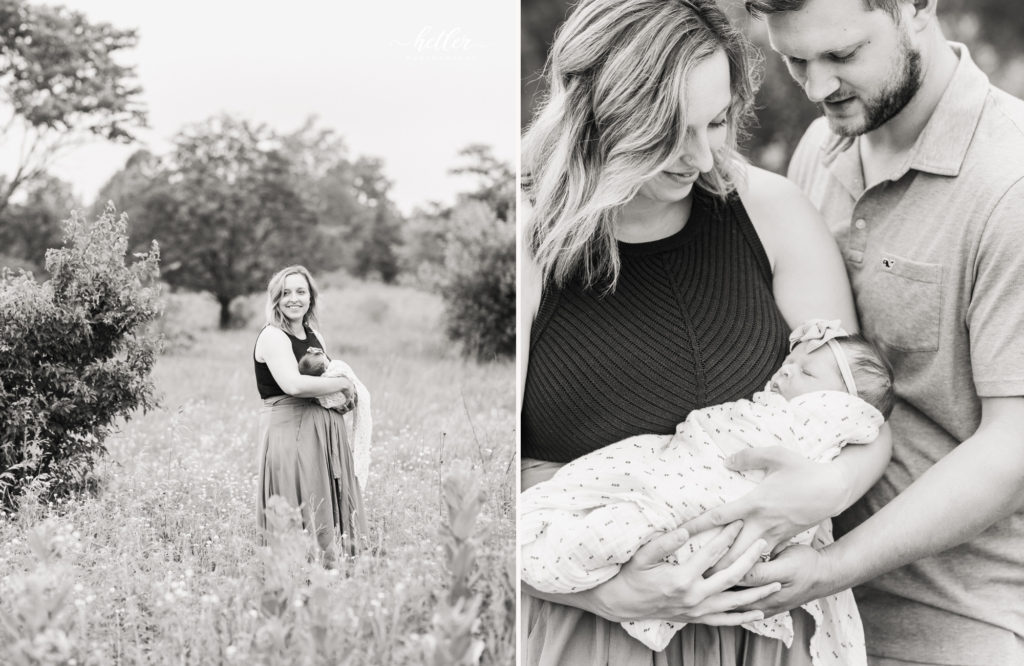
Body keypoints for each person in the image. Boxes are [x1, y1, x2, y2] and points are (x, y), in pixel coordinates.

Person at [519, 0, 892, 663]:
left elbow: (851, 412)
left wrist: (828, 489)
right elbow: (499, 485)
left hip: (765, 633)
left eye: (717, 121)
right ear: (599, 118)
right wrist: (608, 597)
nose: (701, 155)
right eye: (669, 132)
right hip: (598, 632)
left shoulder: (771, 213)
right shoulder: (528, 251)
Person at [685, 1, 1024, 663]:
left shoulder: (1009, 183)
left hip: (946, 627)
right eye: (796, 61)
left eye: (841, 56)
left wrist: (831, 566)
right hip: (802, 618)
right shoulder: (825, 143)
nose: (817, 88)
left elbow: (1012, 452)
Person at [521, 322, 893, 663]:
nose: (786, 369)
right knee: (625, 502)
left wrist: (830, 489)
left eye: (806, 371)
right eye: (789, 360)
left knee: (640, 519)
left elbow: (867, 427)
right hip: (595, 619)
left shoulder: (824, 422)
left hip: (737, 580)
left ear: (841, 404)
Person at [253, 265, 368, 564]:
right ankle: (295, 572)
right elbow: (293, 384)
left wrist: (343, 396)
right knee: (296, 501)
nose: (294, 299)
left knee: (323, 499)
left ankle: (330, 568)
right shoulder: (272, 337)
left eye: (301, 292)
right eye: (286, 293)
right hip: (290, 431)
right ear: (275, 298)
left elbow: (323, 381)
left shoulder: (314, 335)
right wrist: (343, 384)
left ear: (311, 297)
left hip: (323, 431)